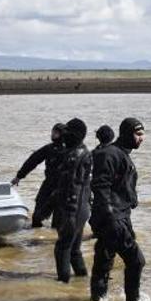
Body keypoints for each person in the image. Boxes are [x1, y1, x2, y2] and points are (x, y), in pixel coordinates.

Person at [89, 117, 146, 301]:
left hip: (118, 216)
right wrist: (110, 217)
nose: (142, 138)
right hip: (112, 218)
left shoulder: (121, 153)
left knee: (103, 262)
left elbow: (119, 186)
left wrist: (131, 200)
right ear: (127, 134)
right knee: (136, 261)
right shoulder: (110, 154)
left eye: (142, 134)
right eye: (138, 134)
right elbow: (100, 185)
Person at [53, 118, 92, 282]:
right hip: (82, 208)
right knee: (74, 249)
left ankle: (63, 285)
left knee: (62, 248)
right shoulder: (84, 151)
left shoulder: (74, 157)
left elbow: (71, 187)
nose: (64, 136)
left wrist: (68, 213)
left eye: (67, 133)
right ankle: (82, 281)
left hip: (73, 208)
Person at [11, 123, 66, 228]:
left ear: (62, 134)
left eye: (56, 132)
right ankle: (37, 236)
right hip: (49, 184)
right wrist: (19, 176)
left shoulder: (70, 151)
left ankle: (50, 242)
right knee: (36, 217)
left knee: (58, 223)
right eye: (52, 131)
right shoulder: (49, 148)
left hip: (63, 187)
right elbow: (32, 161)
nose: (53, 134)